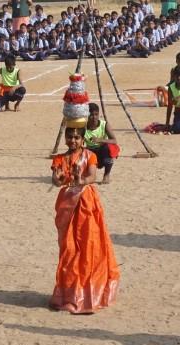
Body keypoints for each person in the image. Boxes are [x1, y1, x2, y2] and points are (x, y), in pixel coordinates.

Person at [50, 127, 121, 314]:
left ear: (83, 139)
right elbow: (57, 181)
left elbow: (91, 176)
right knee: (69, 249)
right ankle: (69, 295)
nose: (73, 140)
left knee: (88, 247)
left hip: (86, 204)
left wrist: (79, 180)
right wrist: (58, 179)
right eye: (70, 137)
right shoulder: (59, 159)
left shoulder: (90, 156)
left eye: (76, 137)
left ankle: (88, 296)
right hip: (67, 205)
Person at [83, 103, 119, 184]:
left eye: (96, 114)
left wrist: (100, 140)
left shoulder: (104, 125)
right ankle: (90, 174)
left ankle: (106, 175)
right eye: (91, 115)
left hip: (103, 151)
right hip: (91, 152)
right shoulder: (83, 127)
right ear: (87, 115)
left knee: (108, 148)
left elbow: (114, 140)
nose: (94, 117)